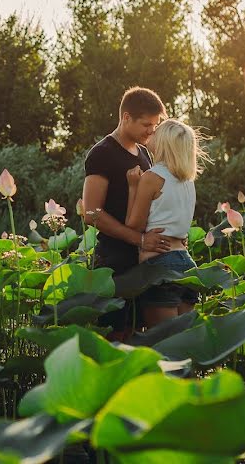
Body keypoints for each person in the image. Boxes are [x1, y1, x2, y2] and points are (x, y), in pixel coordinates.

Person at [82, 87, 171, 336]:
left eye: (155, 125)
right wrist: (139, 239)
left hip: (144, 259)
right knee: (118, 336)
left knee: (143, 338)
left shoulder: (144, 154)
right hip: (114, 262)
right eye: (146, 125)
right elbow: (91, 213)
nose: (151, 131)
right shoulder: (102, 154)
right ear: (126, 118)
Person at [124, 118, 205, 328]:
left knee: (163, 347)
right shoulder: (187, 181)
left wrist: (133, 186)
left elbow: (134, 225)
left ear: (164, 142)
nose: (151, 133)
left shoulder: (152, 177)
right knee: (183, 344)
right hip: (186, 263)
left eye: (156, 131)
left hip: (160, 266)